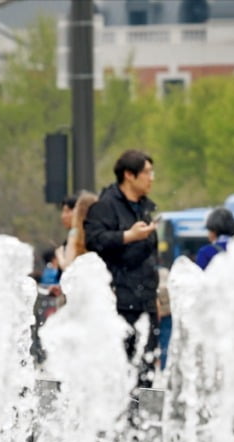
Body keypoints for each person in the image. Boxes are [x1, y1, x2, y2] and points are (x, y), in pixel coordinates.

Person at [84, 149, 161, 388]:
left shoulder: (144, 208)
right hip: (119, 303)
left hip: (145, 302)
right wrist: (128, 236)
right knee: (119, 372)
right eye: (147, 172)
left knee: (145, 371)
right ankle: (118, 421)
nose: (152, 178)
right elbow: (94, 240)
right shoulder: (106, 206)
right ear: (129, 175)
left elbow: (149, 255)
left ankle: (142, 422)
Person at [54, 195, 78, 271]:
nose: (63, 216)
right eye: (63, 211)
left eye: (67, 211)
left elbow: (67, 267)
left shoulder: (74, 234)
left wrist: (60, 255)